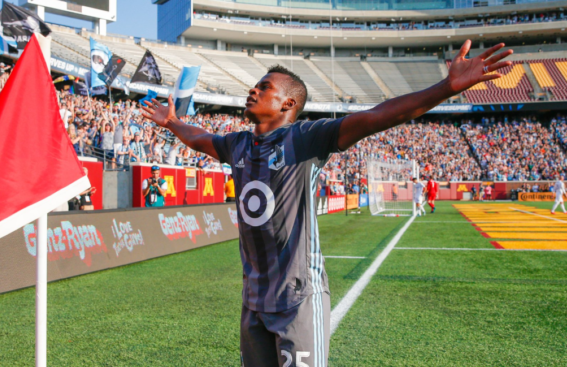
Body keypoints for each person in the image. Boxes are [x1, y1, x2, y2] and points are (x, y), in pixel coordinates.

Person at [140, 40, 511, 366]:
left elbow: (379, 116)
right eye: (255, 85)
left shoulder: (306, 139)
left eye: (263, 87)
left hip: (299, 298)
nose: (252, 91)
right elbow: (201, 138)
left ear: (287, 103)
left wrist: (445, 87)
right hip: (252, 299)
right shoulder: (236, 144)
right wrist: (172, 123)